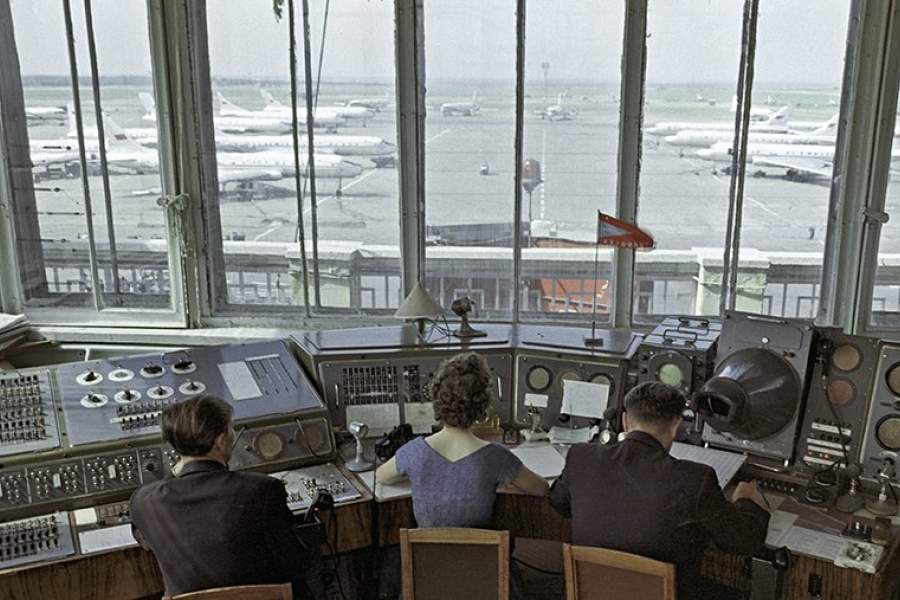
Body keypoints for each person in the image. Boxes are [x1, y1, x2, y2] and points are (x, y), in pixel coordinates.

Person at [548, 382, 770, 600]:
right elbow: (743, 541)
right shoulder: (696, 479)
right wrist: (747, 501)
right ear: (675, 426)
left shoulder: (581, 456)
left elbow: (559, 503)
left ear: (625, 421)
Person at [130, 395, 310, 599]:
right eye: (231, 429)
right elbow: (297, 561)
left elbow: (147, 542)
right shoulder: (263, 489)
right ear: (221, 441)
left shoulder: (143, 501)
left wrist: (174, 472)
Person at [376, 351, 549, 527]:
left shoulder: (414, 452)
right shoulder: (497, 457)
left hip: (427, 546)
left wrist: (419, 476)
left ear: (437, 400)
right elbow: (541, 488)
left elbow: (382, 476)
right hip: (481, 545)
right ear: (482, 406)